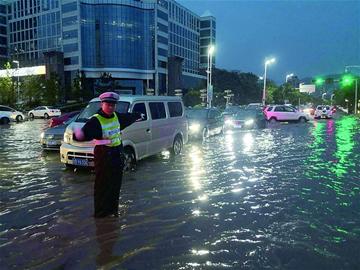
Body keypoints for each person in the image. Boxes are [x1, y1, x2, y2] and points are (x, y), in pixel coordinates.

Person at [74, 92, 141, 218]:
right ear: (102, 104)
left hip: (117, 154)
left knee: (115, 185)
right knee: (102, 186)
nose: (111, 107)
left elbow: (128, 118)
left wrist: (138, 116)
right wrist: (78, 135)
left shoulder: (116, 116)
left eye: (113, 105)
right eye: (108, 104)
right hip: (103, 155)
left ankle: (113, 212)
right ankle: (100, 215)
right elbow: (83, 134)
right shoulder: (96, 120)